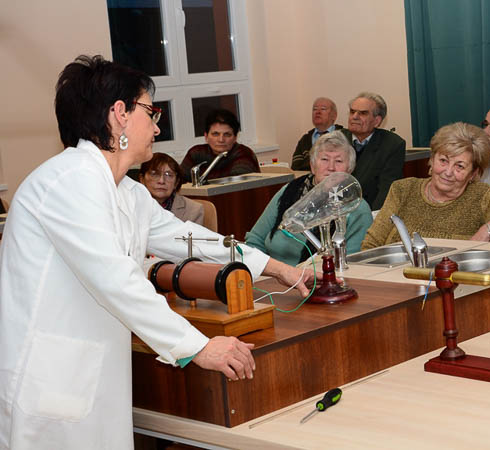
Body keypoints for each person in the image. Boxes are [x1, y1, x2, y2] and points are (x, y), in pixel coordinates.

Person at [0, 55, 316, 449]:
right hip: (51, 378)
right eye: (151, 113)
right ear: (120, 114)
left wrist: (276, 268)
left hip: (90, 372)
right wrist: (198, 346)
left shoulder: (127, 191)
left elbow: (189, 239)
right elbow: (117, 281)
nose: (157, 126)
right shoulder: (68, 181)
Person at [361, 122, 490, 249]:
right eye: (443, 161)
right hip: (394, 272)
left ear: (473, 173)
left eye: (459, 166)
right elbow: (371, 245)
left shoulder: (483, 197)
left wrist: (488, 229)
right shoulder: (403, 190)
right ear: (432, 160)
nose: (448, 172)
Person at [246, 131, 373, 265]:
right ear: (313, 166)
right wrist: (263, 270)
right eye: (324, 159)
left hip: (320, 274)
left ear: (349, 170)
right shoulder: (290, 191)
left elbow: (351, 263)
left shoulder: (356, 208)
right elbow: (255, 240)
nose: (331, 167)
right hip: (272, 272)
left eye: (339, 161)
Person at [341, 92, 406, 210]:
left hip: (370, 211)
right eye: (352, 112)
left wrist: (371, 218)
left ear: (377, 121)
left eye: (363, 113)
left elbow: (387, 190)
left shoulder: (392, 144)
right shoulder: (336, 139)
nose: (354, 117)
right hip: (336, 210)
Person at [179, 109, 260, 180]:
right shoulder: (196, 153)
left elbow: (234, 185)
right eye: (215, 134)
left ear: (235, 138)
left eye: (227, 134)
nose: (221, 140)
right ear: (206, 136)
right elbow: (179, 180)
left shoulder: (244, 154)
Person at [139, 152, 203, 224]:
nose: (161, 181)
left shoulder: (194, 210)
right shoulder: (132, 205)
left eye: (169, 175)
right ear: (142, 179)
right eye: (155, 174)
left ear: (176, 182)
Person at [290, 97, 343, 171]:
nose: (318, 112)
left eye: (323, 109)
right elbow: (295, 168)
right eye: (315, 109)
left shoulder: (344, 136)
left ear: (334, 115)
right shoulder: (305, 139)